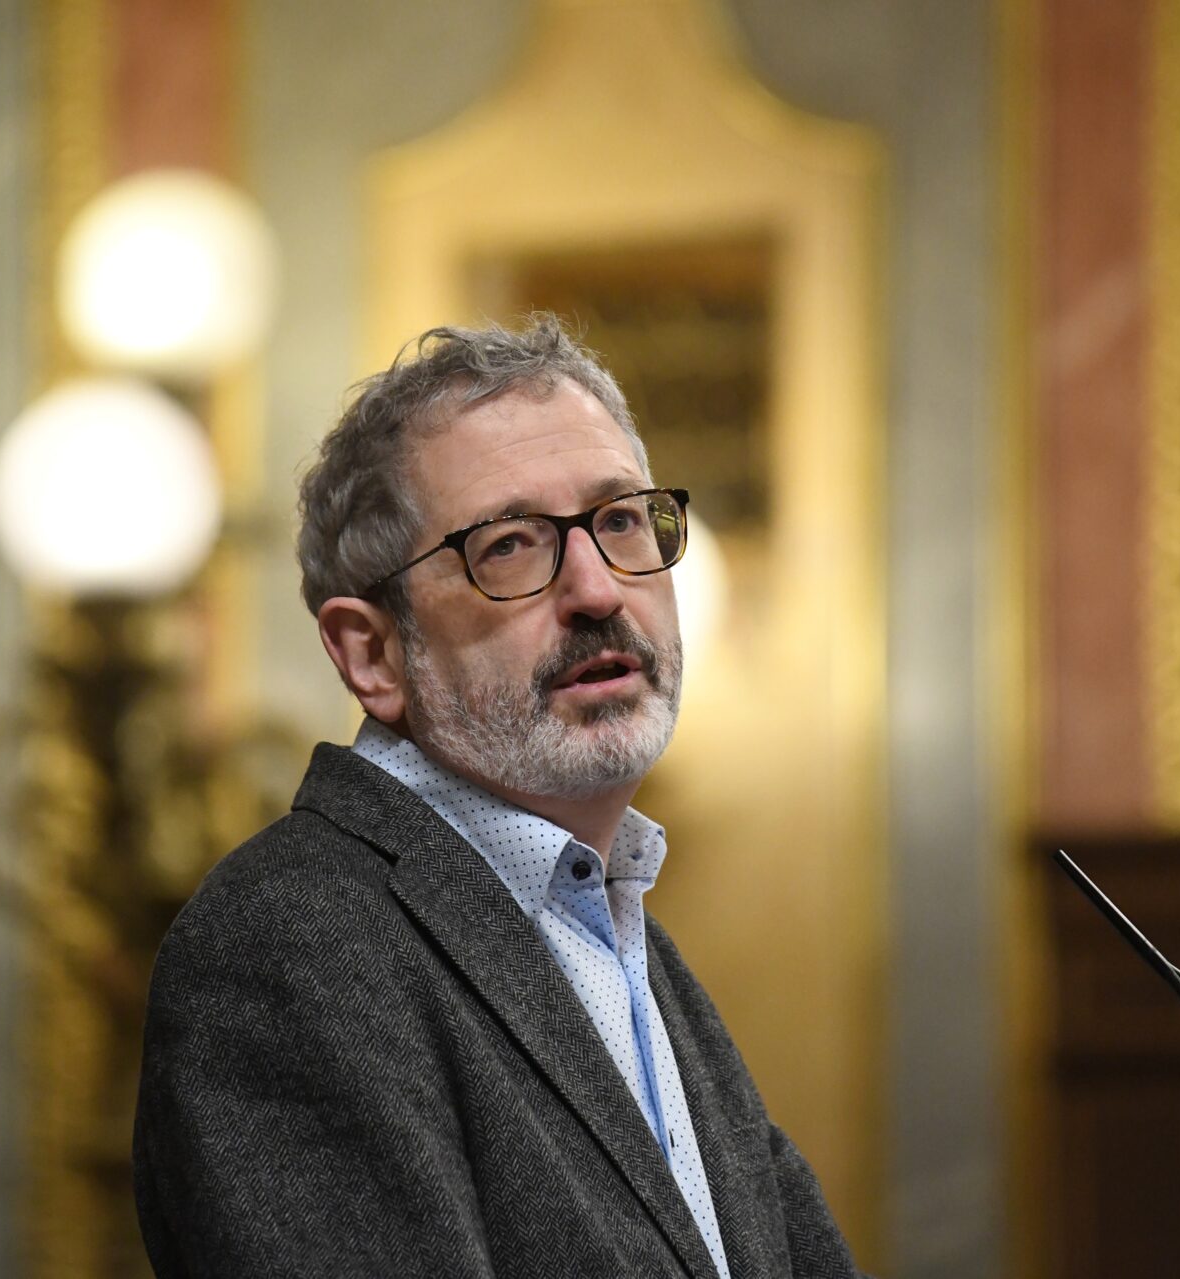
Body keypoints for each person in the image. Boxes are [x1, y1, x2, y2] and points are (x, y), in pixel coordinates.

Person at [132, 315, 862, 1277]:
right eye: (511, 544)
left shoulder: (621, 937)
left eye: (620, 520)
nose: (598, 590)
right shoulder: (286, 944)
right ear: (373, 653)